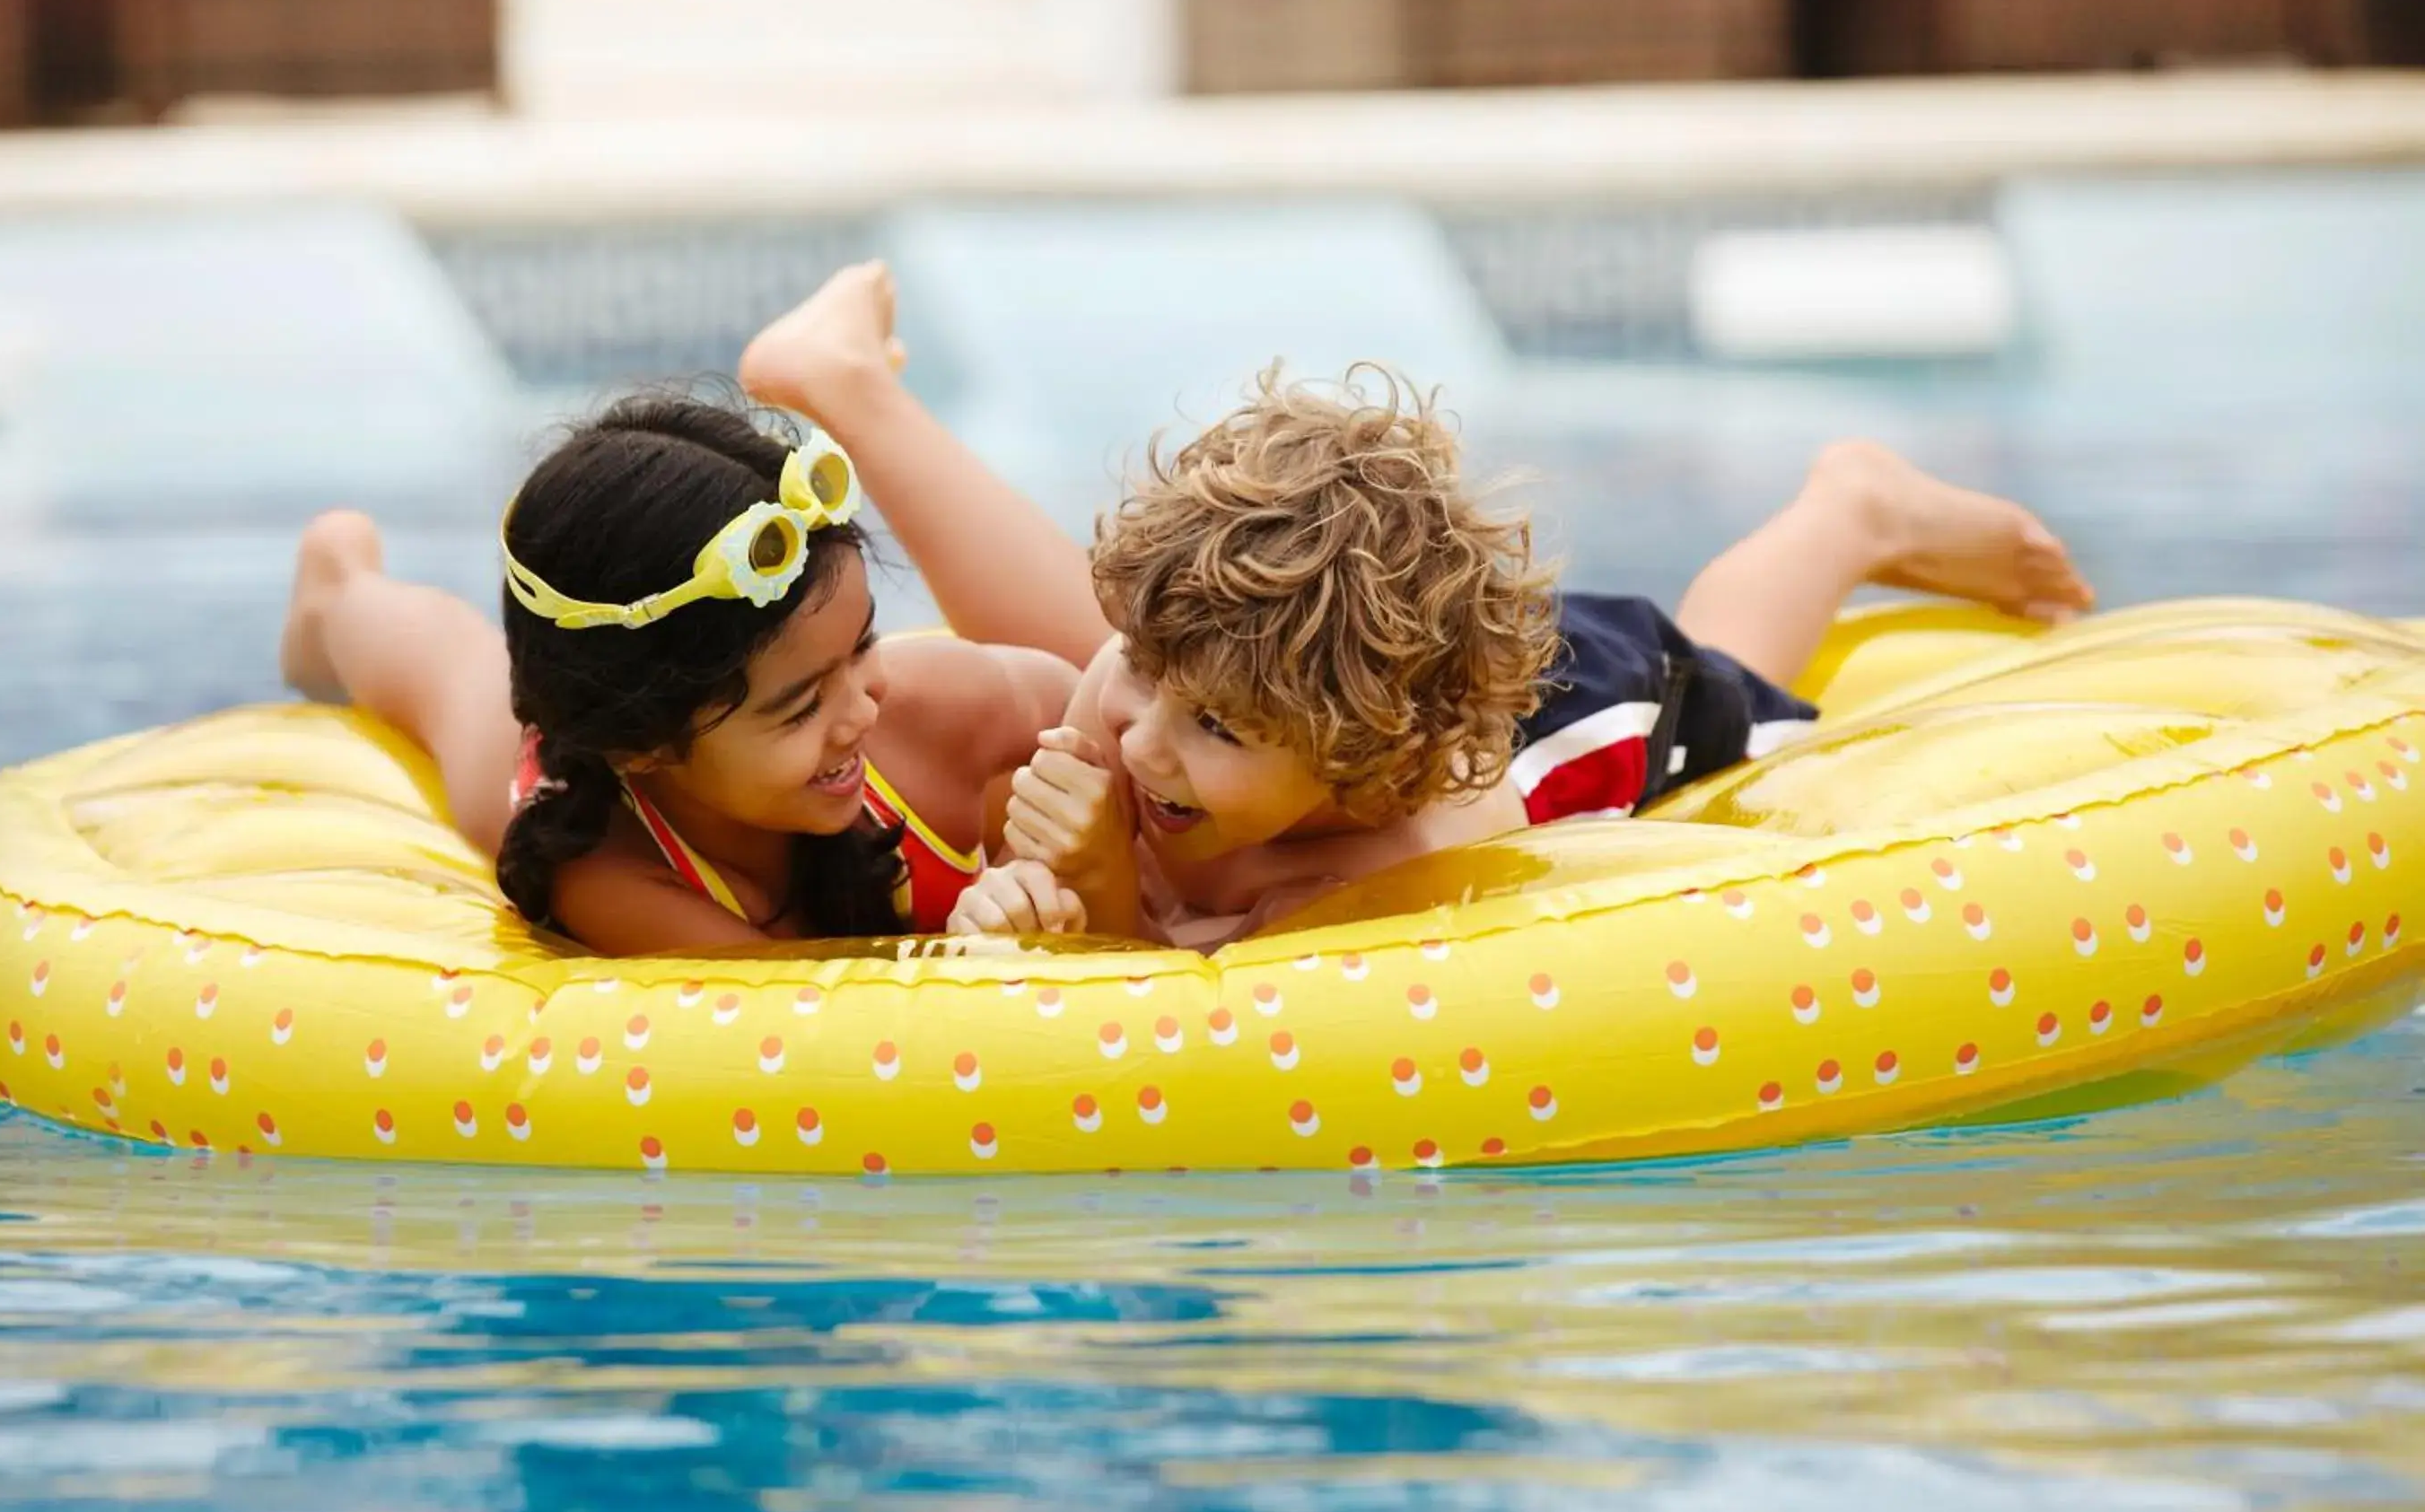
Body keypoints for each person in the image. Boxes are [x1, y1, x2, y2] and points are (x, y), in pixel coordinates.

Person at [740, 262, 2096, 948]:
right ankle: (848, 387)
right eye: (1145, 667)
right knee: (1116, 663)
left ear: (1355, 769)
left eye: (1215, 731)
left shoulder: (1397, 856)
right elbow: (1154, 702)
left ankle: (1854, 508)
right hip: (1358, 655)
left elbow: (1193, 991)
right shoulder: (1178, 705)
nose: (1139, 737)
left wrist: (1098, 888)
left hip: (1607, 694)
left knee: (1728, 658)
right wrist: (1116, 768)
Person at [277, 391, 1077, 955]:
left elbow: (1107, 693)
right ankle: (335, 585)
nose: (861, 711)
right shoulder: (608, 874)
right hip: (580, 775)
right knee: (456, 668)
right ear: (647, 747)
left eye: (862, 644)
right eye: (800, 708)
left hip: (657, 702)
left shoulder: (939, 703)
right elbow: (814, 1017)